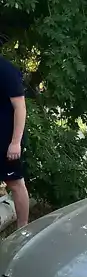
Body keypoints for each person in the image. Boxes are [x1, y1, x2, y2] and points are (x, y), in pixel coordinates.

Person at [0, 54, 29, 228]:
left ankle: (23, 228)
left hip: (7, 141)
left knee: (15, 183)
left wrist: (15, 142)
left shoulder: (6, 70)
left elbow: (20, 107)